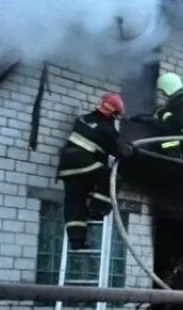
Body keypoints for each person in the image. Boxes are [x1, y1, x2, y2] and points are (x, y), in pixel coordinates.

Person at [57, 93, 133, 250]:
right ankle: (97, 210)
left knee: (75, 203)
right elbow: (119, 152)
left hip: (66, 168)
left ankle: (76, 242)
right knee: (112, 177)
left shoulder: (82, 119)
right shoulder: (106, 129)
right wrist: (130, 149)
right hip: (83, 165)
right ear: (112, 113)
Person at [146, 72, 183, 160]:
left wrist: (163, 113)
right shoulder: (177, 101)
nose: (162, 94)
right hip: (179, 137)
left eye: (163, 91)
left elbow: (177, 123)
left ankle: (176, 155)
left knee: (161, 145)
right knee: (156, 143)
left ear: (169, 88)